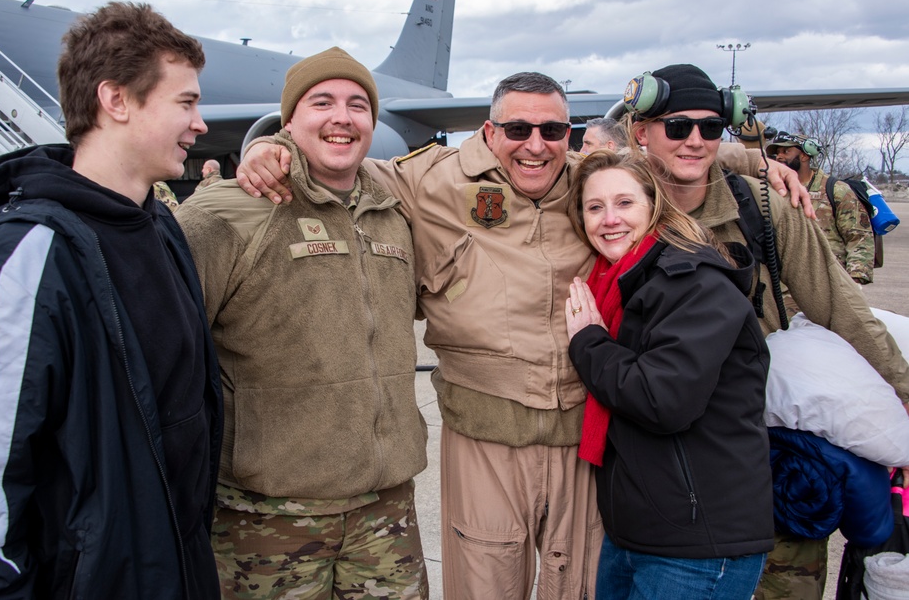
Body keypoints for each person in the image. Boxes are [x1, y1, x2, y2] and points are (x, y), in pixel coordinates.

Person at [236, 70, 814, 600]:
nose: (535, 144)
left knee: (577, 588)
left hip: (583, 440)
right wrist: (277, 146)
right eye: (517, 128)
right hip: (483, 433)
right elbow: (343, 159)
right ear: (490, 131)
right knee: (486, 584)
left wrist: (761, 163)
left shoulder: (592, 179)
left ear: (570, 133)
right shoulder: (429, 179)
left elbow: (674, 152)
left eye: (552, 129)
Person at [0, 2, 223, 599]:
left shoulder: (159, 230)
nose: (201, 123)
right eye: (185, 102)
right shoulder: (25, 256)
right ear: (117, 100)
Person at [620, 63, 909, 600]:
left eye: (711, 128)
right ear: (643, 132)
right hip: (652, 454)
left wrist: (905, 390)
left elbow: (842, 308)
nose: (696, 140)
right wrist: (756, 156)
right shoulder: (614, 204)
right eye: (677, 126)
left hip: (761, 452)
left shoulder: (762, 207)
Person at [175, 47, 428, 599]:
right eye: (323, 102)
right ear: (289, 119)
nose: (343, 117)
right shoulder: (227, 212)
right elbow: (165, 353)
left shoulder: (393, 213)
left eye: (358, 105)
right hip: (266, 519)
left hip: (385, 510)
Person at [564, 149, 774, 599]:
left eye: (624, 203)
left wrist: (588, 342)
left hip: (698, 543)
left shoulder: (694, 281)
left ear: (654, 204)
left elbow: (662, 399)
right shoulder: (623, 281)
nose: (608, 219)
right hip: (639, 531)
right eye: (594, 207)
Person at [768, 132, 874, 284]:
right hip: (786, 285)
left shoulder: (836, 190)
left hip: (831, 282)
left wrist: (854, 281)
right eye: (777, 153)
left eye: (786, 151)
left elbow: (860, 238)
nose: (779, 157)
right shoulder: (772, 191)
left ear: (805, 156)